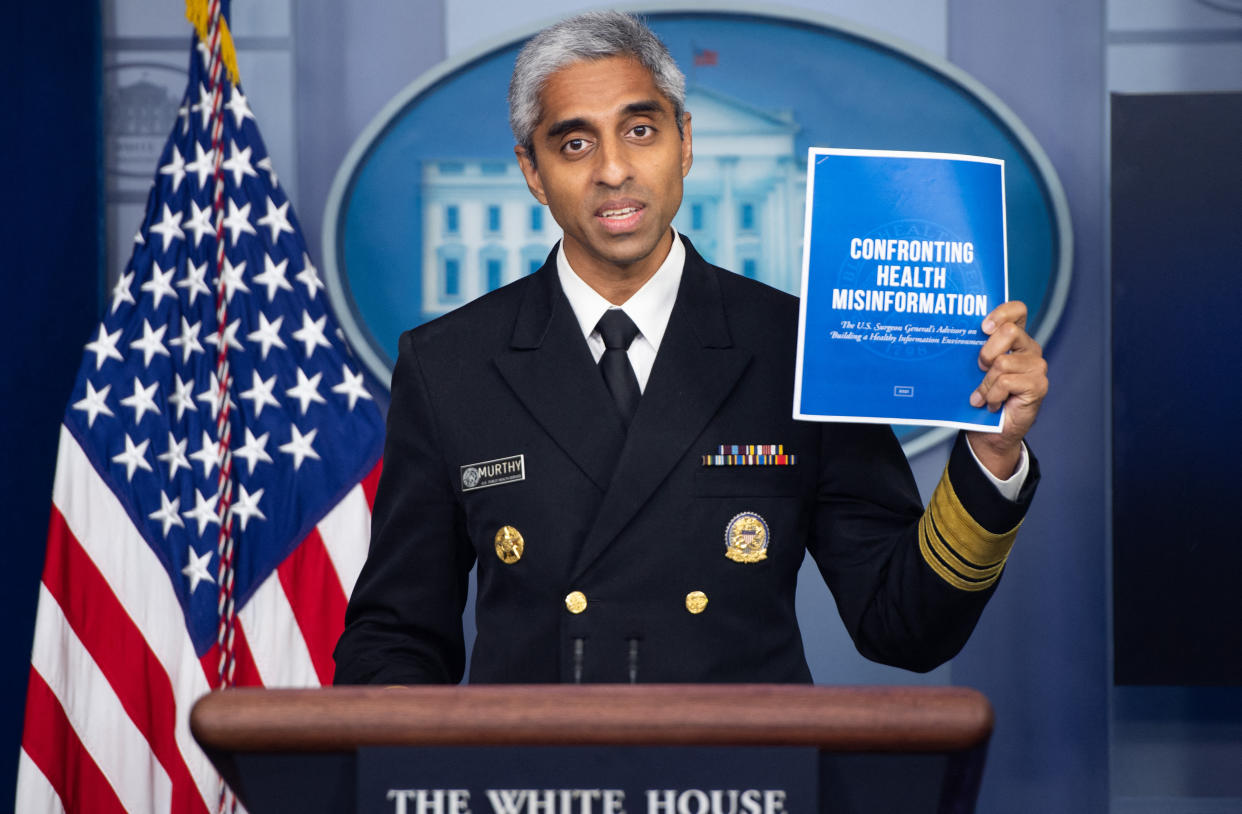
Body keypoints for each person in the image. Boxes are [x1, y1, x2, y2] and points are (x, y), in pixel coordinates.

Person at [333, 11, 1047, 685]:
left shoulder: (801, 348)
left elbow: (903, 627)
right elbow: (395, 639)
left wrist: (993, 456)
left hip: (744, 781)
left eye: (640, 131)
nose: (613, 170)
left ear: (686, 141)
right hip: (534, 780)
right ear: (532, 172)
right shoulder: (448, 363)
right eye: (575, 143)